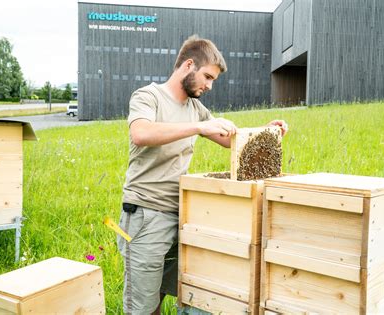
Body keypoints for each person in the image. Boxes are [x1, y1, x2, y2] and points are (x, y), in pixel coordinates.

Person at [117, 34, 288, 315]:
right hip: (145, 214)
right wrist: (198, 128)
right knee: (142, 305)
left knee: (169, 291)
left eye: (213, 81)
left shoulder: (195, 108)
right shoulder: (149, 96)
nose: (209, 86)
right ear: (188, 65)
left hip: (182, 214)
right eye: (207, 77)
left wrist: (266, 131)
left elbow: (229, 139)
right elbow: (141, 133)